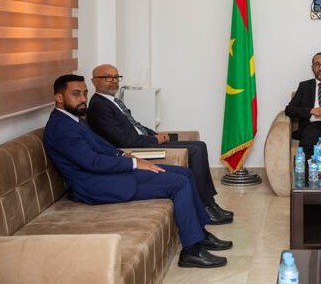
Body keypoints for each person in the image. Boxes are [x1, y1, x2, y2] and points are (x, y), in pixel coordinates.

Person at [43, 75, 232, 269]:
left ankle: (200, 234)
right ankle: (191, 251)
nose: (83, 99)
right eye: (76, 94)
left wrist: (125, 155)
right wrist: (133, 163)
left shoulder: (74, 119)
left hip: (109, 175)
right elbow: (92, 162)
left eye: (84, 93)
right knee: (179, 184)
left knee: (185, 173)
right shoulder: (62, 128)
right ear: (59, 97)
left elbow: (101, 146)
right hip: (97, 185)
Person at [86, 64, 232, 225]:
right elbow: (123, 141)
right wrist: (155, 140)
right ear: (94, 82)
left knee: (200, 145)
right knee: (195, 151)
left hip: (143, 140)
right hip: (135, 149)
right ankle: (204, 209)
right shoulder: (99, 106)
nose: (114, 81)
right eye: (108, 77)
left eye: (116, 77)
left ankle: (210, 203)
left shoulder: (113, 101)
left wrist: (154, 134)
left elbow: (135, 125)